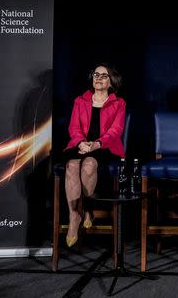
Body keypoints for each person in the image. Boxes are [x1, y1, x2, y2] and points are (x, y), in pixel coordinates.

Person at [62, 63, 126, 247]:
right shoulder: (80, 101)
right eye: (96, 74)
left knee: (89, 164)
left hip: (106, 147)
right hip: (81, 144)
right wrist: (81, 142)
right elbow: (73, 127)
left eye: (104, 75)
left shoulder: (119, 103)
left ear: (111, 82)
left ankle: (87, 207)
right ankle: (75, 216)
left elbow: (116, 130)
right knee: (72, 165)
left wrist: (97, 144)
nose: (98, 77)